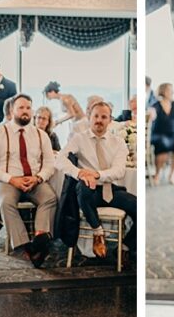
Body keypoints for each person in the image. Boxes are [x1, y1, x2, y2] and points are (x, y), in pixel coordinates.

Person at [0, 93, 57, 267]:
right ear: (12, 110)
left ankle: (39, 238)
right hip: (6, 181)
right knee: (6, 201)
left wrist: (38, 178)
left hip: (33, 180)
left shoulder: (41, 135)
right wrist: (11, 179)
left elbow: (50, 163)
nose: (25, 111)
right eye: (21, 108)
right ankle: (26, 247)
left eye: (28, 108)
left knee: (50, 198)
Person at [55, 100, 136, 259]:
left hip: (110, 190)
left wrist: (97, 175)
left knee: (139, 207)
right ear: (89, 117)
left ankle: (125, 246)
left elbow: (119, 170)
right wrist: (80, 173)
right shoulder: (79, 138)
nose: (99, 120)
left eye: (104, 117)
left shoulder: (118, 142)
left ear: (110, 120)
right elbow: (60, 160)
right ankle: (98, 232)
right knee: (83, 186)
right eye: (96, 116)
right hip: (87, 192)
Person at [149, 83, 174, 185]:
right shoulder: (156, 104)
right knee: (162, 144)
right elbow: (152, 111)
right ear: (164, 91)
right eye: (170, 90)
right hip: (159, 134)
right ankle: (157, 173)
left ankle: (172, 174)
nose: (172, 92)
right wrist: (151, 113)